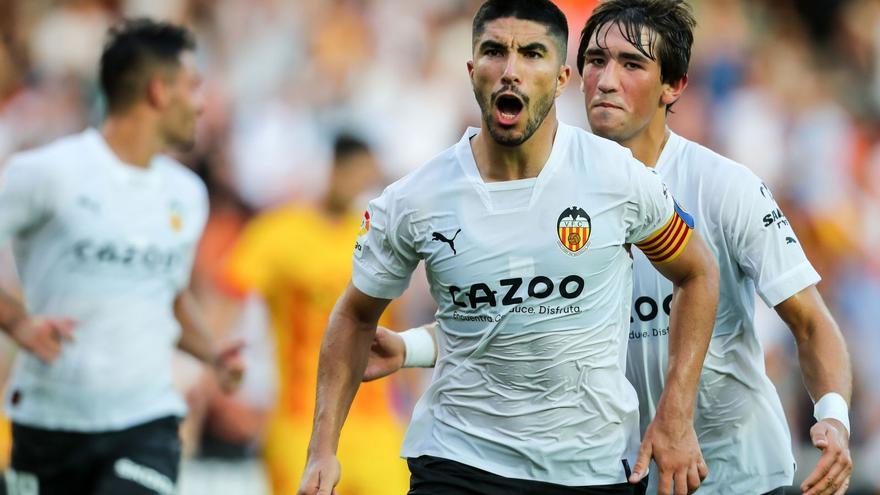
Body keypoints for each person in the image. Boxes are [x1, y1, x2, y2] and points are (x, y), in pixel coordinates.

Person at [366, 1, 855, 494]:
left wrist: (833, 416)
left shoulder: (726, 187)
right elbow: (521, 312)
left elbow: (810, 322)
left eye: (631, 64)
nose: (605, 79)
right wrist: (410, 347)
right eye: (595, 61)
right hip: (624, 471)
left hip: (735, 473)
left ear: (674, 86)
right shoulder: (556, 182)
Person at [297, 1, 720, 494]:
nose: (511, 71)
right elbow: (354, 315)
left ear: (562, 77)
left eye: (532, 54)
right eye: (495, 52)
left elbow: (697, 273)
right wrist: (322, 449)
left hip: (589, 468)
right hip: (456, 462)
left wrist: (675, 409)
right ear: (473, 71)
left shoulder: (617, 178)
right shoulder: (415, 199)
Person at [0, 19, 242, 495]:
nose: (202, 103)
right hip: (50, 421)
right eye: (194, 86)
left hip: (145, 421)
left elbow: (167, 294)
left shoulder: (186, 194)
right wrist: (17, 321)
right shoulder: (47, 174)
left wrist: (212, 354)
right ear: (158, 91)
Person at [222, 134, 410, 495]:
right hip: (300, 419)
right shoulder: (279, 232)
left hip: (376, 425)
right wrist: (217, 368)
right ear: (332, 169)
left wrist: (415, 401)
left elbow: (395, 324)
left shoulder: (376, 235)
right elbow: (230, 294)